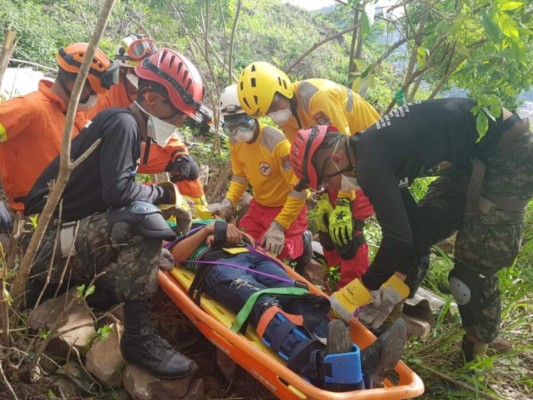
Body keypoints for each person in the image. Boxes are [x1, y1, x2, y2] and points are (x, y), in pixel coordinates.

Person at [289, 98, 533, 362]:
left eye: (326, 181)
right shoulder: (371, 148)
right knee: (425, 228)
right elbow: (412, 229)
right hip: (474, 154)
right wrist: (397, 282)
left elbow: (397, 240)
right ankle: (393, 310)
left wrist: (360, 289)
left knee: (471, 275)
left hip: (510, 152)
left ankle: (474, 356)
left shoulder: (371, 163)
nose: (332, 188)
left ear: (335, 159)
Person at [24, 48, 214, 379]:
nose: (182, 121)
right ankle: (138, 338)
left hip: (62, 239)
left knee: (144, 223)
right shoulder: (124, 124)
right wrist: (164, 194)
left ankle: (101, 298)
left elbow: (110, 197)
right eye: (179, 113)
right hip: (47, 246)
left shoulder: (122, 124)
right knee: (142, 219)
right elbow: (120, 193)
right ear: (152, 98)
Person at [168, 219, 408, 390]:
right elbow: (177, 255)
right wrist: (207, 229)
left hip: (253, 257)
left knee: (300, 296)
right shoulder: (186, 233)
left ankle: (352, 362)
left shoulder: (224, 223)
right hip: (217, 264)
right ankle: (322, 366)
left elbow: (253, 243)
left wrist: (235, 233)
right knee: (263, 301)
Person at [237, 61, 378, 288]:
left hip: (368, 161)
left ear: (282, 87)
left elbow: (345, 153)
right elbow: (304, 162)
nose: (274, 114)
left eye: (275, 105)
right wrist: (321, 195)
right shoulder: (290, 117)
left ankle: (354, 294)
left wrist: (342, 201)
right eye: (268, 112)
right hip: (335, 167)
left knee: (349, 229)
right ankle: (334, 283)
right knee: (327, 228)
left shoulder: (317, 99)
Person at [86, 34, 211, 219]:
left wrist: (180, 154)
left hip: (135, 147)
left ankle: (201, 214)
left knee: (184, 167)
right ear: (124, 70)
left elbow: (166, 124)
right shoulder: (108, 95)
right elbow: (86, 130)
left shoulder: (152, 98)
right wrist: (162, 193)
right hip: (103, 156)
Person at [208, 84, 322, 282]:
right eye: (231, 126)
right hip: (259, 205)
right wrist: (228, 203)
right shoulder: (235, 141)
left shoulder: (278, 144)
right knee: (245, 243)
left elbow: (299, 191)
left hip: (287, 207)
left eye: (242, 122)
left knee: (276, 252)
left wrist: (279, 226)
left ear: (255, 115)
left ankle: (303, 243)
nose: (237, 131)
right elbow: (240, 177)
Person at [0, 42, 118, 213]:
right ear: (75, 83)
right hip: (31, 212)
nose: (95, 97)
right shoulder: (31, 108)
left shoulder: (76, 118)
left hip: (66, 208)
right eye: (92, 91)